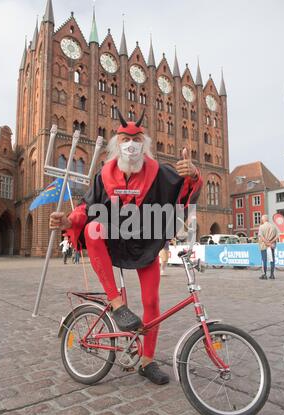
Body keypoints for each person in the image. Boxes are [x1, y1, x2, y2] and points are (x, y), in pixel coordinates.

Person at [50, 110, 203, 385]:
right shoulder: (103, 176)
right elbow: (86, 208)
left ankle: (147, 361)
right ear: (116, 144)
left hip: (145, 242)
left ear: (143, 144)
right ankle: (117, 305)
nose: (130, 144)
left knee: (151, 302)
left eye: (136, 139)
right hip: (113, 239)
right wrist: (67, 220)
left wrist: (192, 175)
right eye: (124, 139)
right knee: (92, 228)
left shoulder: (160, 174)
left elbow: (184, 193)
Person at [258, 215, 278, 280]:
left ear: (263, 220)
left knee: (264, 260)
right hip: (271, 246)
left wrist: (266, 242)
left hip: (264, 246)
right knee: (272, 260)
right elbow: (277, 237)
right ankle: (272, 274)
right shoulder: (273, 226)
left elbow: (261, 236)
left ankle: (264, 274)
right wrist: (271, 242)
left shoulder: (261, 227)